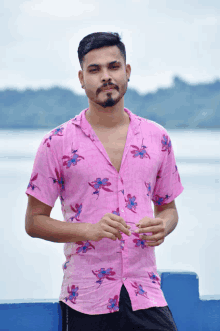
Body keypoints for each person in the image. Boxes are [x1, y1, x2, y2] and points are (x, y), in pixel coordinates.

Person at [25, 32, 184, 331]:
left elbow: (169, 209)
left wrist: (164, 225)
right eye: (94, 70)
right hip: (86, 297)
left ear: (127, 72)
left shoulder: (157, 138)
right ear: (81, 78)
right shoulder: (56, 143)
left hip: (145, 294)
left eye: (113, 66)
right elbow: (33, 222)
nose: (106, 77)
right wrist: (91, 230)